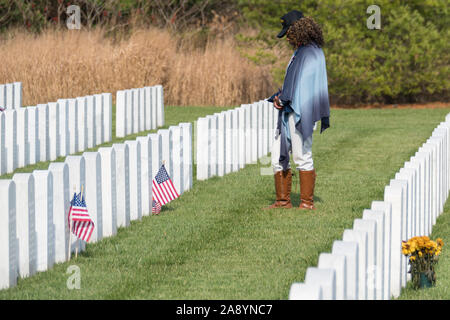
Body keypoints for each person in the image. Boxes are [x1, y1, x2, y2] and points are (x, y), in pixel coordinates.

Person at [264, 10, 330, 210]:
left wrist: (283, 99)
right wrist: (281, 97)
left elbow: (302, 84)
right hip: (291, 109)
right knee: (277, 155)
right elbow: (296, 83)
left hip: (302, 111)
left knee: (302, 154)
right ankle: (283, 201)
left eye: (288, 33)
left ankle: (306, 203)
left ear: (297, 29)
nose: (287, 38)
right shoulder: (304, 51)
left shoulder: (309, 53)